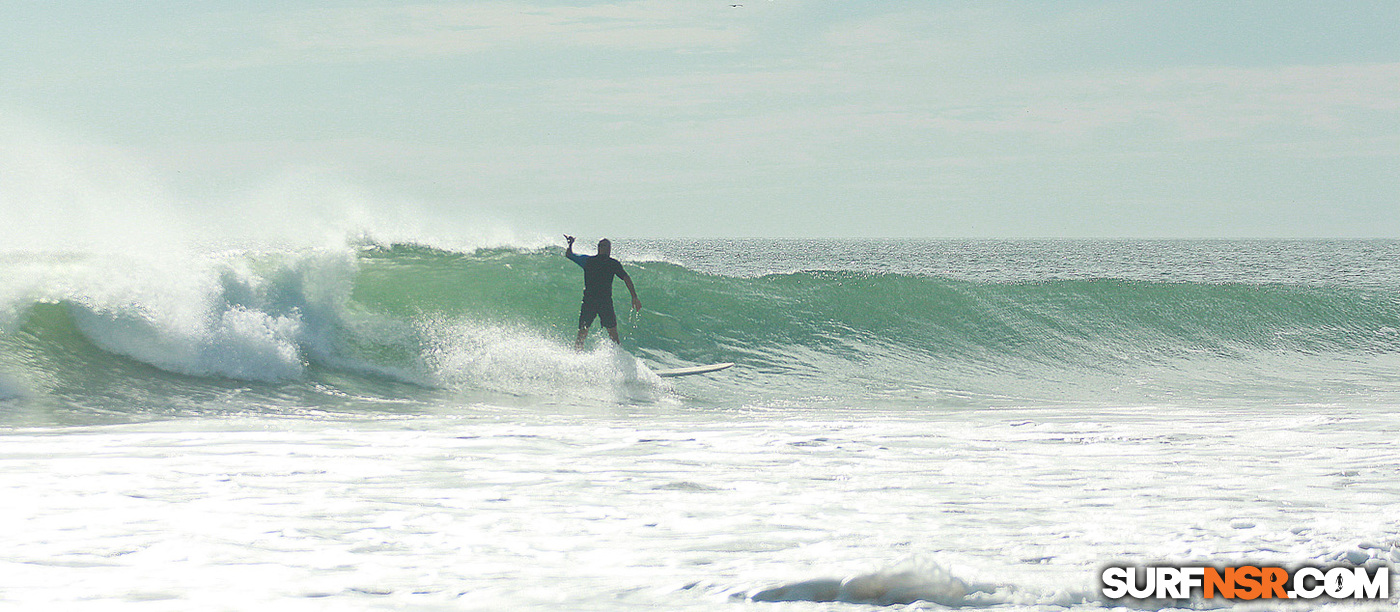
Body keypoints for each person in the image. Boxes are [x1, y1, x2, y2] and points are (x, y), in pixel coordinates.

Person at [564, 235, 641, 350]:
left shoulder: (611, 263)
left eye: (605, 245)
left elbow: (626, 278)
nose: (604, 248)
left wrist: (634, 297)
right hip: (590, 302)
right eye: (602, 245)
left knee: (613, 334)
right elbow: (569, 255)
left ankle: (618, 357)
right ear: (599, 248)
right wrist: (570, 244)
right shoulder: (590, 261)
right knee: (582, 333)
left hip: (604, 302)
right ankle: (577, 356)